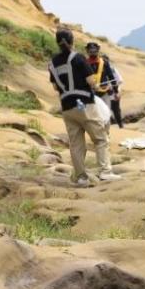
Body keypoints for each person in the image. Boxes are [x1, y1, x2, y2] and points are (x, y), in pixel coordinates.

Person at [47, 28, 120, 187]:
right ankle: (105, 172)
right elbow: (91, 81)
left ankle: (81, 178)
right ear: (72, 41)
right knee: (100, 139)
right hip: (85, 105)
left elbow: (54, 86)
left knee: (76, 144)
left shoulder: (52, 63)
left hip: (67, 108)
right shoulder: (78, 58)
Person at [84, 42, 124, 129]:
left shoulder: (104, 63)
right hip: (91, 94)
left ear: (98, 50)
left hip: (104, 93)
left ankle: (106, 133)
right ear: (87, 51)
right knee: (93, 114)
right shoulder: (84, 63)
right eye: (91, 50)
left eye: (94, 50)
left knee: (105, 113)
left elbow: (111, 77)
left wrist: (116, 91)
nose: (92, 52)